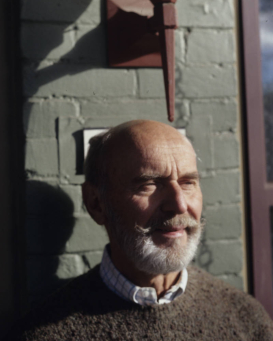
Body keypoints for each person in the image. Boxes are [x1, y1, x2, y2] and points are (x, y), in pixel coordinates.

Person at [4, 120, 273, 340]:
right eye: (149, 185)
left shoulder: (246, 317)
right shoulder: (45, 334)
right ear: (96, 204)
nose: (179, 204)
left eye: (188, 182)